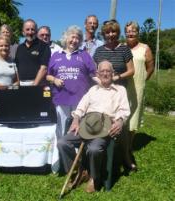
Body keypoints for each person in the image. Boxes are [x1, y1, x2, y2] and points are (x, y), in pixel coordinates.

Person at [57, 60, 130, 193]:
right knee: (62, 142)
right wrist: (76, 119)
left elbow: (124, 110)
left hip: (104, 126)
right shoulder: (92, 90)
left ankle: (93, 177)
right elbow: (81, 106)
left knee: (94, 149)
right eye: (102, 71)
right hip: (86, 124)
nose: (105, 73)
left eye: (108, 71)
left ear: (113, 73)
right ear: (98, 73)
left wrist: (119, 121)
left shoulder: (120, 90)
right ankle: (79, 170)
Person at [93, 19, 135, 170]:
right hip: (104, 92)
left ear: (118, 33)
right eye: (107, 32)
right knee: (103, 120)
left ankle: (125, 156)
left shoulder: (124, 49)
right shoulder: (99, 51)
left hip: (120, 91)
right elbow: (95, 71)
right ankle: (101, 153)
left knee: (121, 124)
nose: (110, 34)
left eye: (113, 31)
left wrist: (117, 78)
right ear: (103, 34)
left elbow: (131, 70)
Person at [46, 25, 97, 138]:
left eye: (78, 38)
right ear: (66, 37)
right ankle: (61, 153)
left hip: (79, 100)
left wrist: (104, 83)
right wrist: (54, 79)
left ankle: (76, 153)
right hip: (60, 98)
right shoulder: (56, 55)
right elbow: (47, 75)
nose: (74, 40)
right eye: (72, 37)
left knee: (77, 130)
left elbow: (94, 74)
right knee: (61, 129)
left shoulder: (84, 55)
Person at [125, 21, 154, 156]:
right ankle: (119, 143)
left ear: (138, 32)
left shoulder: (145, 48)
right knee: (122, 114)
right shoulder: (122, 47)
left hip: (137, 87)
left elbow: (150, 67)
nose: (131, 33)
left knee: (134, 116)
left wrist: (142, 80)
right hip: (123, 86)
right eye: (128, 31)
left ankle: (128, 146)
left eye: (133, 31)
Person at [15, 19, 51, 86]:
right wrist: (18, 83)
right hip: (21, 84)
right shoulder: (20, 48)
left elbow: (44, 68)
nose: (30, 32)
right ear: (23, 32)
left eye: (32, 29)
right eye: (27, 29)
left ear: (36, 31)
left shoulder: (44, 46)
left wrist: (34, 85)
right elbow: (17, 67)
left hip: (38, 84)